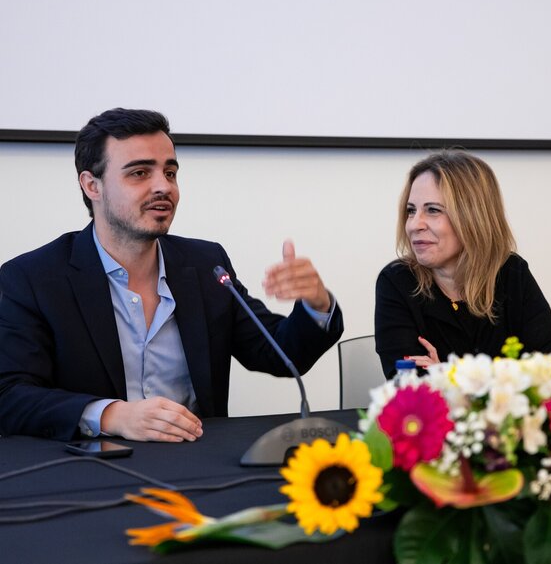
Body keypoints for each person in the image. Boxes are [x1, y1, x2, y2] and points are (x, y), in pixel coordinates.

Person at [0, 108, 343, 442]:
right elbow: (10, 395)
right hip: (89, 467)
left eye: (170, 172)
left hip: (195, 461)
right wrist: (111, 415)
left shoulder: (206, 264)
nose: (163, 186)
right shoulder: (32, 278)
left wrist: (316, 304)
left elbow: (279, 353)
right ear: (92, 185)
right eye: (139, 173)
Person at [375, 150, 551, 379]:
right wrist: (504, 380)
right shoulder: (397, 281)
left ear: (473, 216)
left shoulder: (511, 273)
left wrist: (445, 375)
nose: (414, 224)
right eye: (411, 211)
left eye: (433, 210)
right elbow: (411, 386)